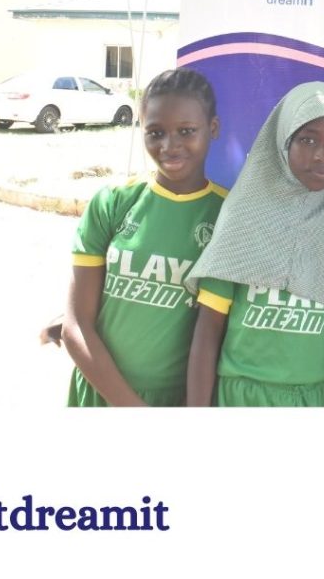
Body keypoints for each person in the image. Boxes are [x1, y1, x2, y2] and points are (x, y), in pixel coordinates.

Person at [186, 82, 324, 407]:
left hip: (311, 398)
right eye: (308, 140)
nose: (323, 156)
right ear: (284, 138)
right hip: (239, 397)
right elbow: (208, 330)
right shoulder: (244, 216)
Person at [62, 67, 226, 407]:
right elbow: (75, 326)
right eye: (155, 133)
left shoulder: (228, 216)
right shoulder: (113, 202)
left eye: (186, 131)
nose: (169, 146)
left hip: (175, 401)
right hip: (98, 390)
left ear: (213, 128)